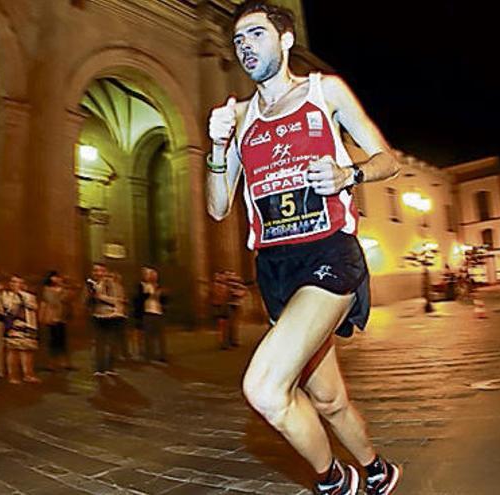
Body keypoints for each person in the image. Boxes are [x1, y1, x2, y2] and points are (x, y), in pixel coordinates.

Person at [206, 2, 402, 493]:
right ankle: (378, 469)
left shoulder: (324, 92)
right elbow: (216, 207)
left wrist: (347, 174)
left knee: (266, 388)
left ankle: (334, 482)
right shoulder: (240, 117)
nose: (244, 45)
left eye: (255, 34)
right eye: (238, 40)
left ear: (285, 39)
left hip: (329, 255)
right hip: (275, 269)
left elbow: (387, 160)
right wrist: (215, 147)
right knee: (329, 399)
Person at [85, 263, 125, 377]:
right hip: (97, 315)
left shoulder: (113, 284)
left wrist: (101, 296)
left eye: (101, 271)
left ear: (105, 271)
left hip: (112, 316)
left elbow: (119, 299)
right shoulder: (91, 284)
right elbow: (86, 302)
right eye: (95, 271)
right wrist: (90, 295)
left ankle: (110, 367)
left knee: (112, 343)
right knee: (99, 343)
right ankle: (99, 368)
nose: (98, 273)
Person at [0, 275, 41, 384]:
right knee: (13, 351)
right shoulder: (6, 295)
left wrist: (21, 294)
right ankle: (12, 376)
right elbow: (8, 308)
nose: (15, 284)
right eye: (13, 282)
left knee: (27, 351)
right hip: (13, 327)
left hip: (28, 326)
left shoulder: (29, 296)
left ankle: (28, 374)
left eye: (18, 282)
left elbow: (33, 307)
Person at [40, 271, 74, 370]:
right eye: (55, 277)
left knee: (62, 340)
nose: (57, 279)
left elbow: (68, 299)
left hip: (62, 317)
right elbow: (52, 301)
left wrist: (63, 289)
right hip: (52, 317)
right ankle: (52, 362)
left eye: (58, 277)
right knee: (53, 340)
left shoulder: (63, 289)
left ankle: (64, 362)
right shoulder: (47, 290)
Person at [137, 266, 167, 363]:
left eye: (155, 275)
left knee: (160, 336)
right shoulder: (143, 286)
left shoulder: (159, 286)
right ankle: (149, 355)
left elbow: (164, 301)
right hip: (147, 313)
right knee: (148, 336)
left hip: (158, 312)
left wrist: (162, 295)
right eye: (151, 275)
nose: (153, 277)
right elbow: (139, 299)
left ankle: (162, 355)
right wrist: (150, 294)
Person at [211, 271, 232, 349]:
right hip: (221, 307)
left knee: (224, 326)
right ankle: (223, 343)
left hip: (223, 306)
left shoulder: (222, 285)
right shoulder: (218, 286)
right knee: (223, 326)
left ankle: (224, 342)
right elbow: (220, 296)